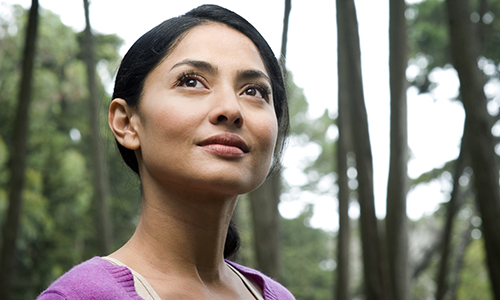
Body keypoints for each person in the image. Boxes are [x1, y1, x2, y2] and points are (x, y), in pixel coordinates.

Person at [37, 4, 294, 300]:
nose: (231, 110)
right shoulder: (80, 296)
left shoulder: (277, 296)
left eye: (254, 91)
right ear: (127, 123)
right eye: (191, 81)